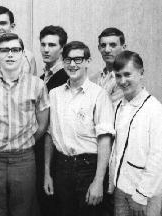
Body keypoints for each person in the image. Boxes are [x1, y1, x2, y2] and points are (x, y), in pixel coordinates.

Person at [0, 33, 50, 216]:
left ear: (22, 54)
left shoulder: (37, 85)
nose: (10, 54)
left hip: (23, 159)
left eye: (15, 50)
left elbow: (42, 124)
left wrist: (23, 141)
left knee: (23, 210)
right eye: (4, 50)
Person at [44, 41, 114, 216]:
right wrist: (47, 173)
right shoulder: (54, 94)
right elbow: (49, 135)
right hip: (61, 168)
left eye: (78, 59)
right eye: (68, 60)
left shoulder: (99, 95)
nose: (72, 64)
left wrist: (98, 181)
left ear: (88, 62)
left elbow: (105, 139)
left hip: (88, 169)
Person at [109, 50, 162, 216]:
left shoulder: (154, 109)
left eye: (127, 74)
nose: (122, 81)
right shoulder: (119, 105)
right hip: (120, 189)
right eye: (118, 76)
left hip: (144, 194)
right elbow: (116, 149)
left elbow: (158, 157)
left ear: (141, 73)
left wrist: (142, 195)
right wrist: (112, 183)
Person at [36, 25, 69, 216]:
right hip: (40, 152)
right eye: (43, 44)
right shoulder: (41, 79)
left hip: (59, 156)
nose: (46, 49)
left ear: (62, 49)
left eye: (52, 45)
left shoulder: (66, 78)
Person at [97, 27, 126, 105]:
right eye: (103, 45)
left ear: (123, 48)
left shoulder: (126, 79)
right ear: (99, 48)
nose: (107, 50)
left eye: (112, 45)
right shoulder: (93, 78)